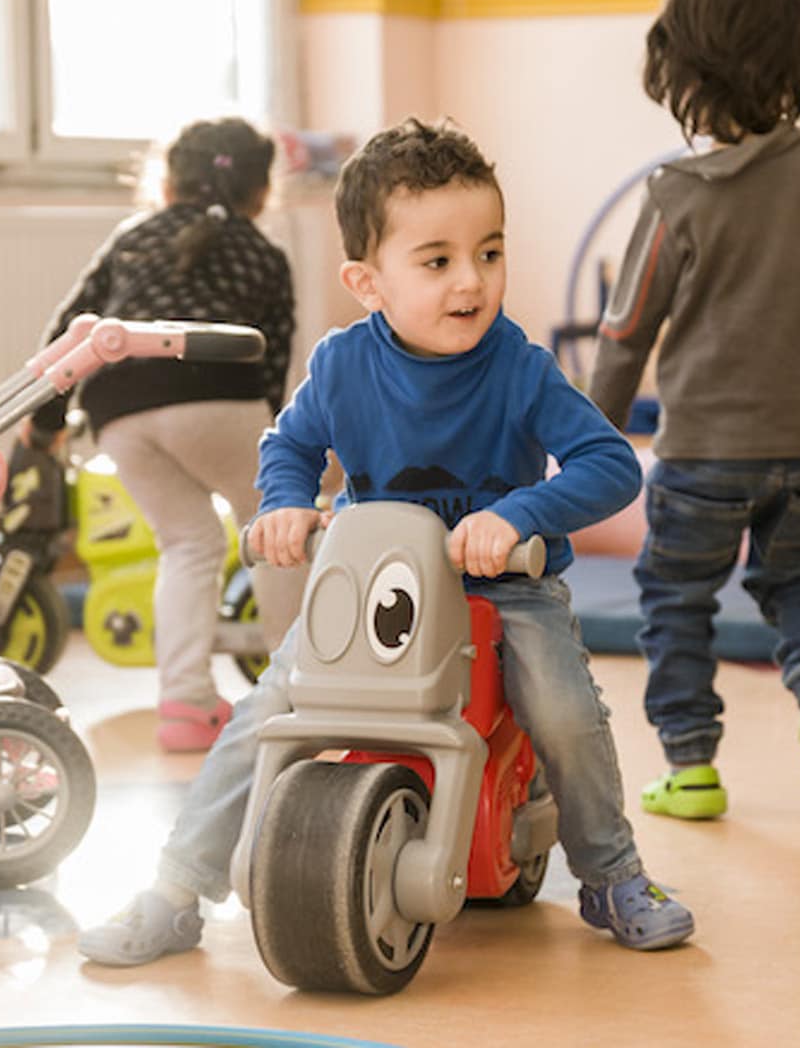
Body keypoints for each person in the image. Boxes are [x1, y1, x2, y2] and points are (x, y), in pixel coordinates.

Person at [77, 117, 696, 966]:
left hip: (501, 588)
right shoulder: (339, 366)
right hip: (377, 597)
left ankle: (613, 875)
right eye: (437, 261)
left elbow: (607, 466)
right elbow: (288, 448)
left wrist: (520, 516)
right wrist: (287, 505)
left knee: (561, 704)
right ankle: (177, 892)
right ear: (367, 282)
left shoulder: (519, 368)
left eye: (489, 251)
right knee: (265, 711)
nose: (471, 281)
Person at [586, 0, 800, 820]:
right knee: (798, 577)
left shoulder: (675, 195)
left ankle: (690, 770)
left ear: (685, 71)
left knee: (676, 599)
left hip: (703, 456)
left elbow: (625, 331)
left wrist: (591, 439)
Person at [26, 116, 305, 752]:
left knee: (187, 543)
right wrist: (277, 448)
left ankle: (184, 704)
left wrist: (44, 428)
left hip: (118, 405)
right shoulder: (263, 253)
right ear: (261, 192)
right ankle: (298, 692)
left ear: (167, 181)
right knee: (273, 528)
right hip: (219, 393)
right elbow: (274, 361)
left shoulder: (133, 238)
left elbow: (70, 332)